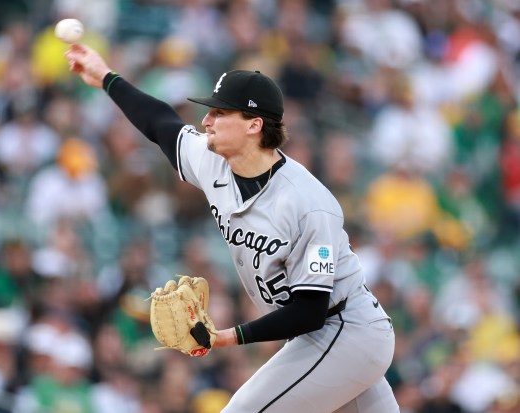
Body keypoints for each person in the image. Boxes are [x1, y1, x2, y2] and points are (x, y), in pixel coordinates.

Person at [65, 43, 399, 413]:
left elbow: (310, 311)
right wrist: (106, 78)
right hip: (322, 337)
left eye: (220, 112)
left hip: (344, 329)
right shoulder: (213, 162)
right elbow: (160, 123)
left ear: (255, 125)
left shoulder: (308, 204)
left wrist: (225, 337)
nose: (206, 120)